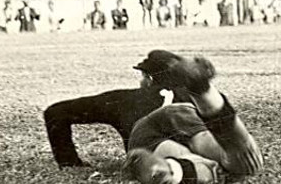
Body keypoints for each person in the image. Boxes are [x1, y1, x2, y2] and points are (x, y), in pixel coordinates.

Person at [125, 53, 264, 184]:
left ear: (150, 78)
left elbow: (97, 107)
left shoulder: (130, 96)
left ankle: (169, 169)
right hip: (185, 115)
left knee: (206, 166)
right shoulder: (183, 91)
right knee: (238, 163)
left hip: (144, 134)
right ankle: (205, 93)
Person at [43, 50, 188, 168]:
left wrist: (68, 162)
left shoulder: (124, 100)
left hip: (146, 163)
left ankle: (69, 163)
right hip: (193, 160)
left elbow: (55, 112)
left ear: (149, 79)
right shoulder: (194, 97)